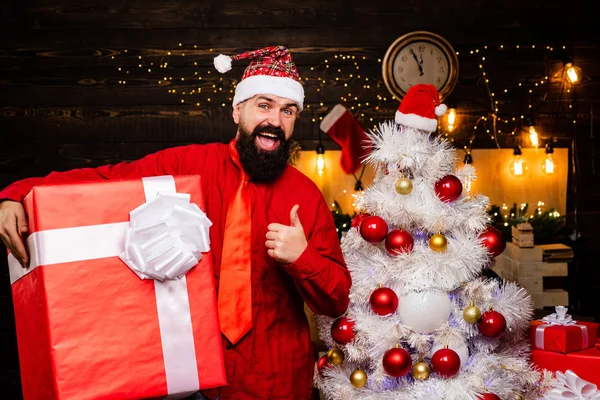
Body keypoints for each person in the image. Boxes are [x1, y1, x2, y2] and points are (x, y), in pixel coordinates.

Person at [0, 45, 351, 400]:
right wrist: (17, 192)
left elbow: (336, 301)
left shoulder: (305, 196)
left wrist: (301, 257)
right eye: (264, 105)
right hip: (190, 379)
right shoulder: (186, 166)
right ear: (237, 111)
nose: (275, 121)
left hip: (274, 383)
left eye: (287, 110)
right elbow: (109, 179)